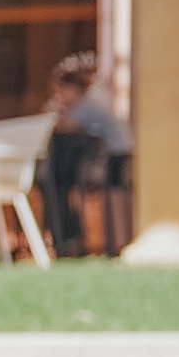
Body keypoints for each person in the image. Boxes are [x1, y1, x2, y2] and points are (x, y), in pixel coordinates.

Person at [49, 49, 135, 255]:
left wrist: (54, 111)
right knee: (118, 196)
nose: (60, 96)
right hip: (122, 148)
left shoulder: (85, 104)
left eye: (62, 91)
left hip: (116, 151)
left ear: (73, 89)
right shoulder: (93, 100)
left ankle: (117, 243)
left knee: (116, 196)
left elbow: (64, 126)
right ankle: (118, 242)